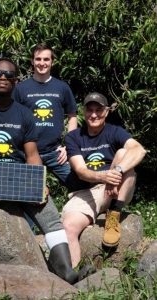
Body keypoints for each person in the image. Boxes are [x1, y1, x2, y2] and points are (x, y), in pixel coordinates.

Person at [0, 58, 92, 284]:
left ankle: (66, 271)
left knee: (48, 212)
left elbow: (32, 155)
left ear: (16, 81)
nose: (3, 78)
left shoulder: (25, 115)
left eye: (8, 75)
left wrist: (39, 181)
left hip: (18, 172)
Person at [62, 92, 146, 267]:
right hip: (85, 191)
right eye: (89, 110)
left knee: (124, 154)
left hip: (114, 189)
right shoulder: (73, 137)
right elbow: (80, 171)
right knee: (68, 227)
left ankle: (113, 215)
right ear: (83, 112)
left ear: (106, 112)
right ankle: (73, 275)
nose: (94, 115)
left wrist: (116, 171)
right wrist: (103, 176)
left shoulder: (115, 131)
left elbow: (140, 150)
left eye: (99, 110)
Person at [13, 43, 77, 189]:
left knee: (79, 184)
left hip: (55, 152)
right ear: (32, 61)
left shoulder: (62, 87)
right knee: (27, 192)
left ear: (52, 62)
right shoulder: (20, 89)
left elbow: (72, 116)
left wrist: (69, 146)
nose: (42, 63)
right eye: (38, 59)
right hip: (27, 153)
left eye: (46, 59)